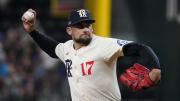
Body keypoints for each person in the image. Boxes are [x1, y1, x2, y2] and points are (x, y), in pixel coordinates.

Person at [21, 8, 161, 101]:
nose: (85, 29)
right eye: (80, 26)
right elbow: (52, 48)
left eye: (88, 25)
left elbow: (140, 48)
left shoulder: (103, 45)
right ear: (69, 30)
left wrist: (155, 69)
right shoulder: (67, 48)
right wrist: (32, 31)